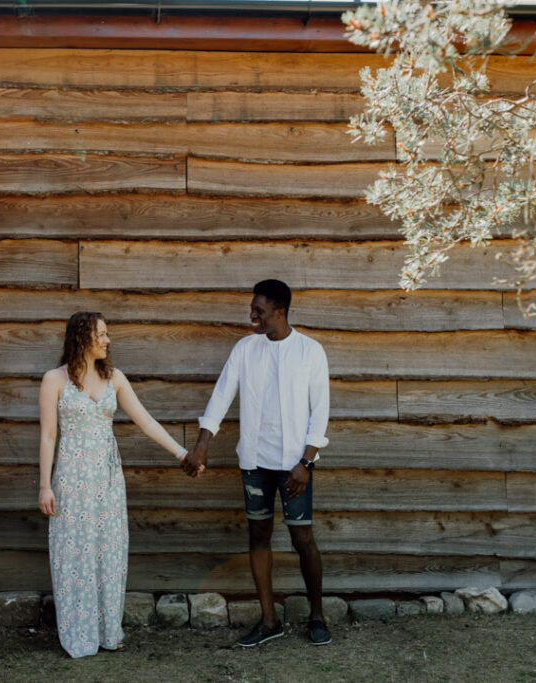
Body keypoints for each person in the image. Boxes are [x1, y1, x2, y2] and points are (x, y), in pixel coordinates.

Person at [182, 279, 331, 647]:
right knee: (258, 535)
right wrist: (201, 446)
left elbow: (321, 411)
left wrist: (306, 462)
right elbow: (220, 398)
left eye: (259, 310)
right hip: (254, 462)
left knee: (302, 538)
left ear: (280, 311)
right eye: (252, 309)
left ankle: (317, 614)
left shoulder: (310, 352)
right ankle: (269, 620)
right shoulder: (245, 349)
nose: (252, 316)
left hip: (295, 465)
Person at [38, 311, 195, 658]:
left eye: (108, 334)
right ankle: (79, 635)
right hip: (71, 479)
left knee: (108, 552)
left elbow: (146, 422)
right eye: (102, 335)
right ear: (81, 338)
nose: (108, 341)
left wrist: (181, 453)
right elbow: (49, 435)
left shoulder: (116, 379)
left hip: (107, 480)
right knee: (73, 554)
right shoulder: (55, 379)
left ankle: (109, 631)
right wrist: (44, 486)